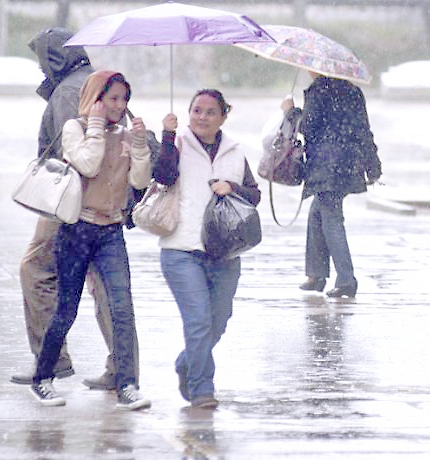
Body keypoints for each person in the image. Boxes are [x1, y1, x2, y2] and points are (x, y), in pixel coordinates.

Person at [13, 27, 139, 391]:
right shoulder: (87, 82)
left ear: (53, 58)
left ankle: (52, 361)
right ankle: (120, 368)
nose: (40, 68)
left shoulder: (70, 90)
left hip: (75, 203)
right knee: (108, 291)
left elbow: (84, 156)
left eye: (42, 59)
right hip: (95, 203)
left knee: (38, 269)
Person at [29, 70, 151, 410]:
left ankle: (127, 384)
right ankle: (42, 378)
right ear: (94, 98)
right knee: (66, 308)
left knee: (122, 308)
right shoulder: (75, 128)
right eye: (111, 98)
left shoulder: (126, 136)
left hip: (111, 232)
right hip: (77, 230)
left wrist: (139, 145)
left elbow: (139, 181)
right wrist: (96, 127)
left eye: (123, 99)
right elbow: (88, 165)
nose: (118, 105)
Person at [153, 89, 261, 409]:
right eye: (197, 110)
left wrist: (233, 188)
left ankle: (187, 362)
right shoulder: (178, 143)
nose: (202, 117)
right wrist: (167, 136)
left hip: (224, 252)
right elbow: (162, 177)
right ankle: (202, 389)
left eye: (210, 112)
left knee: (219, 319)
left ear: (223, 117)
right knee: (198, 321)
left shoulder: (234, 152)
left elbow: (253, 196)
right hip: (181, 249)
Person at [284, 71, 381, 298]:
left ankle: (346, 279)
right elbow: (364, 131)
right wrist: (373, 166)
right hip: (348, 165)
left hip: (326, 166)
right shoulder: (353, 92)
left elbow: (308, 127)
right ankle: (316, 275)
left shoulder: (319, 91)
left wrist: (290, 111)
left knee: (331, 219)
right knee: (318, 211)